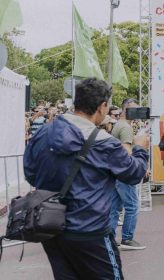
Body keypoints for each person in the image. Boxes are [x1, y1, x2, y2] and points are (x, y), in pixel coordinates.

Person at [24, 78, 149, 279]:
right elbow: (133, 174)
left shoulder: (45, 131)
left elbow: (30, 171)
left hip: (50, 224)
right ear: (102, 106)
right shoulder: (104, 142)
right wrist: (141, 149)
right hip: (89, 229)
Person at [109, 98, 146, 251]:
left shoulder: (120, 125)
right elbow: (126, 151)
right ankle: (127, 239)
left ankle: (109, 238)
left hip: (116, 172)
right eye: (134, 109)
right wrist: (138, 163)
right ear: (126, 110)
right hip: (124, 173)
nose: (137, 112)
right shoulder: (126, 128)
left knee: (115, 207)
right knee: (132, 206)